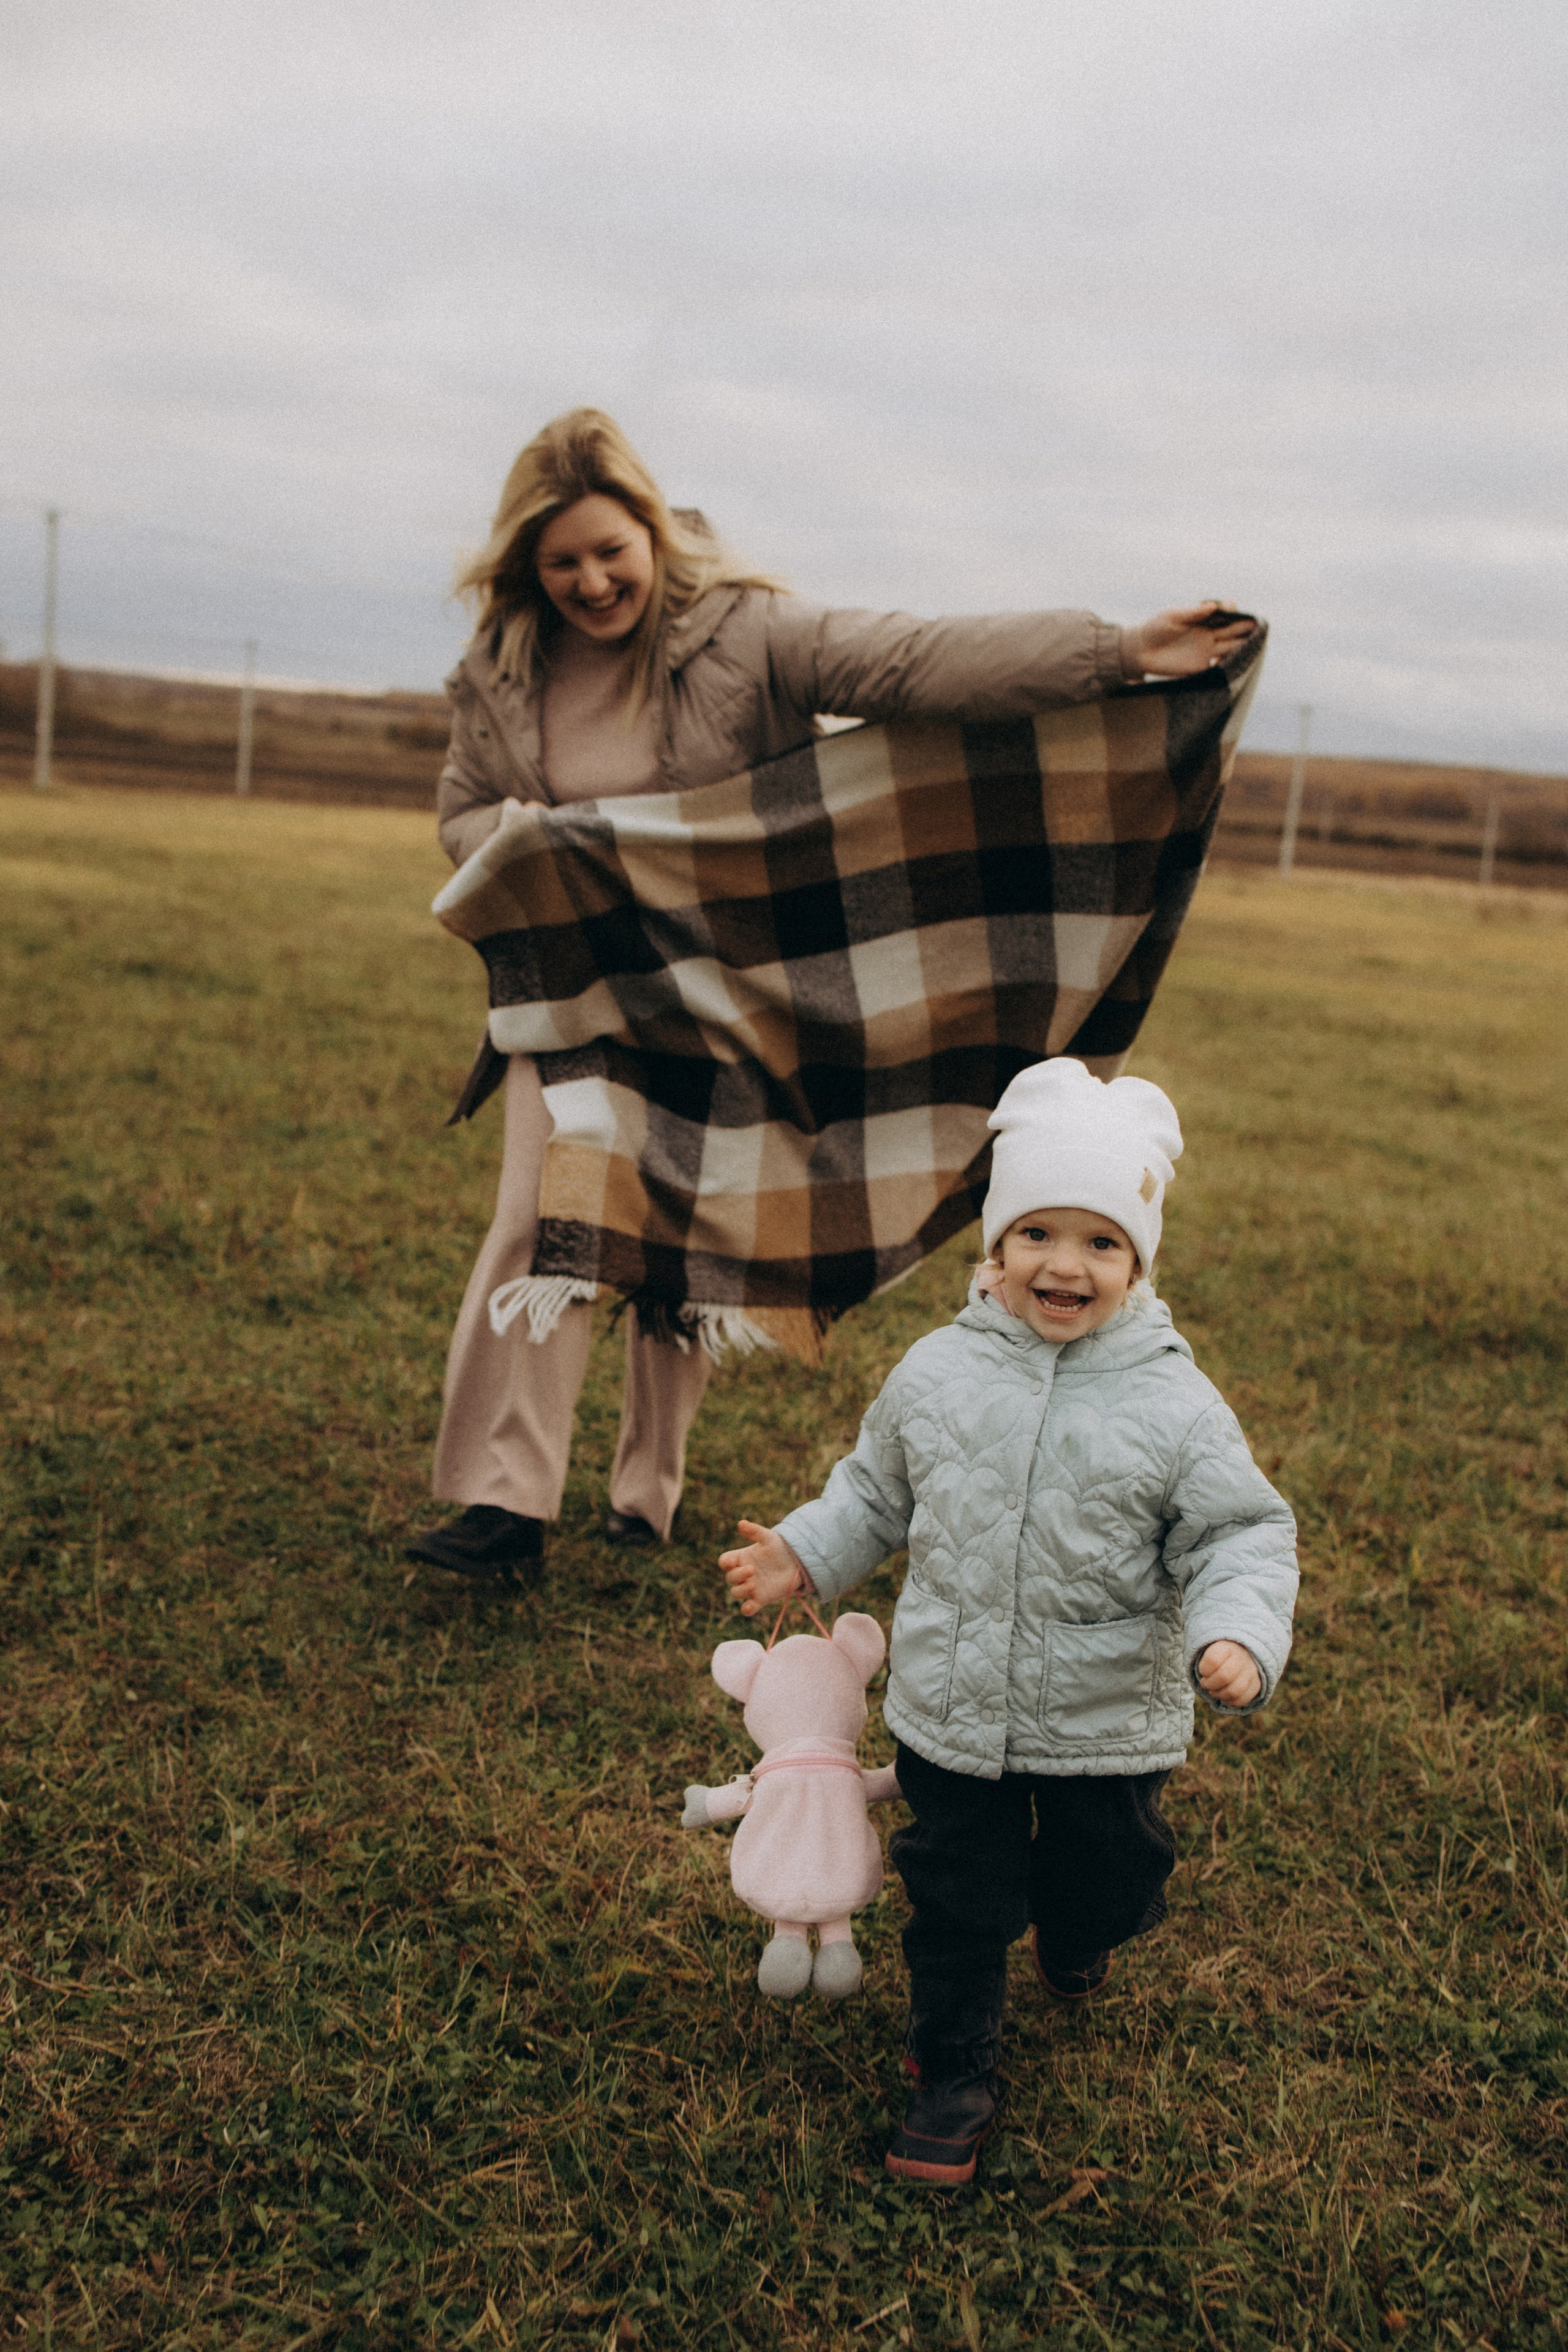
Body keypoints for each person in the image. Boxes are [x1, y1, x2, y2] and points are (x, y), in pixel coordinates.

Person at [408, 407, 1260, 1589]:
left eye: (613, 551)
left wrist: (1115, 654)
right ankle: (507, 1510)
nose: (593, 580)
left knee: (684, 1233)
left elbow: (917, 664)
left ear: (652, 534)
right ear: (526, 565)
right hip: (581, 988)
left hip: (730, 988)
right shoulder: (500, 672)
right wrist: (527, 842)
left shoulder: (747, 636)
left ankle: (646, 1493)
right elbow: (460, 809)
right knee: (542, 1226)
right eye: (563, 562)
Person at [720, 1056, 1298, 2184]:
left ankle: (1080, 1934)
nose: (1064, 1265)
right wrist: (803, 1550)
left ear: (1137, 1262)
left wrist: (1237, 1633)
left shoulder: (1175, 1403)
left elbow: (1240, 1534)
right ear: (996, 1246)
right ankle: (954, 2068)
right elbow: (874, 1493)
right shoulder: (937, 1373)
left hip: (1105, 1724)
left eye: (1101, 1242)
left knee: (1109, 1876)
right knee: (956, 1896)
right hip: (953, 1710)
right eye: (1038, 1233)